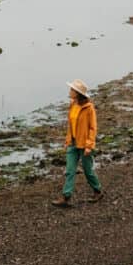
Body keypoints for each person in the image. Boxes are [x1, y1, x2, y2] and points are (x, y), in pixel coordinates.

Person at [52, 79, 105, 207]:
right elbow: (71, 125)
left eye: (71, 90)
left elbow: (93, 128)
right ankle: (66, 197)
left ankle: (98, 191)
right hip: (73, 143)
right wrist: (67, 139)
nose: (69, 91)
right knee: (70, 170)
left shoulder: (89, 108)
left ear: (77, 93)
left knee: (88, 171)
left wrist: (89, 145)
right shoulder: (72, 105)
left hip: (85, 144)